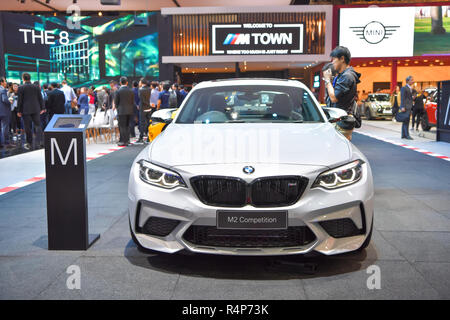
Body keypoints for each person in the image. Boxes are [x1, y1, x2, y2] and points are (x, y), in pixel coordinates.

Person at [323, 46, 361, 140]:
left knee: (340, 149)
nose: (332, 62)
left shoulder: (347, 76)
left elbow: (334, 98)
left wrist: (327, 80)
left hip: (342, 120)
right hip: (341, 119)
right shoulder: (344, 75)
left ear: (342, 59)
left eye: (334, 59)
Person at [17, 73, 45, 150]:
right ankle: (40, 142)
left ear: (23, 79)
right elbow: (40, 98)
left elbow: (20, 100)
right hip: (36, 109)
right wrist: (43, 108)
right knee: (38, 125)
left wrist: (18, 110)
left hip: (25, 110)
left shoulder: (21, 87)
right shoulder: (36, 87)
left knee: (27, 127)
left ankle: (29, 143)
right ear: (30, 78)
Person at [114, 77, 135, 146]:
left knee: (122, 126)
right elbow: (132, 101)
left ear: (120, 83)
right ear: (127, 82)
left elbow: (116, 102)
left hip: (121, 111)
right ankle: (127, 140)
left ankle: (123, 141)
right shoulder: (131, 90)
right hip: (130, 110)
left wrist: (118, 108)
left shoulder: (118, 91)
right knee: (127, 125)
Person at [399, 76, 414, 140]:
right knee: (406, 121)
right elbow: (402, 98)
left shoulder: (411, 88)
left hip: (409, 106)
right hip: (406, 107)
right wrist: (402, 107)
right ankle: (407, 135)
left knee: (405, 121)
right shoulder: (404, 88)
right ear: (408, 81)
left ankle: (403, 135)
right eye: (411, 80)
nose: (413, 81)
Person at [0, 77, 13, 149]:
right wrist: (10, 101)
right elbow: (4, 99)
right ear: (1, 82)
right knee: (5, 127)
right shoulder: (2, 89)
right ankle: (6, 143)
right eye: (5, 81)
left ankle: (1, 144)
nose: (6, 83)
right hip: (4, 112)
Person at [137, 78, 152, 143]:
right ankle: (149, 137)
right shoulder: (149, 89)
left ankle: (141, 137)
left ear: (142, 82)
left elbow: (141, 99)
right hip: (149, 108)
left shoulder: (140, 90)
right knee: (149, 123)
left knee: (142, 123)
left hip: (143, 108)